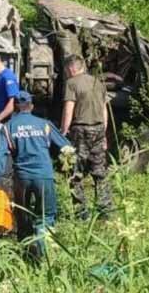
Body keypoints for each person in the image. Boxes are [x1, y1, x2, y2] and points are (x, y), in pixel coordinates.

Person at [0, 91, 71, 256]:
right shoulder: (44, 124)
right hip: (44, 176)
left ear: (15, 107)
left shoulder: (7, 127)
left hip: (22, 178)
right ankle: (43, 255)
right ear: (31, 106)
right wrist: (71, 167)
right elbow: (65, 147)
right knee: (46, 215)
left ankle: (25, 253)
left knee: (23, 215)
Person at [60, 55, 113, 220]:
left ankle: (81, 212)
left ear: (71, 68)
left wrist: (63, 131)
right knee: (99, 171)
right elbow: (104, 110)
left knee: (75, 171)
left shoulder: (72, 83)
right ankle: (105, 210)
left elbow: (69, 109)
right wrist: (103, 132)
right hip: (98, 128)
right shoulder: (98, 83)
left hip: (80, 130)